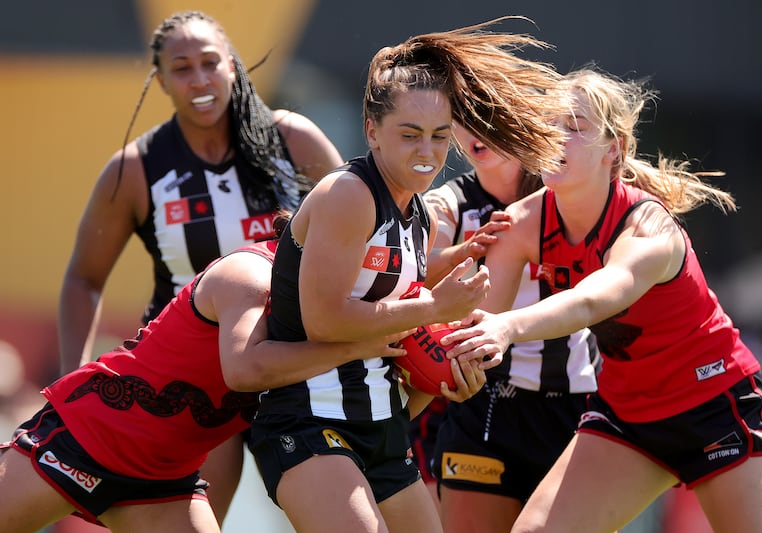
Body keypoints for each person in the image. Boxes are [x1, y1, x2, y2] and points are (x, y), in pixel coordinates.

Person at [246, 17, 569, 533]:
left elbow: (392, 287)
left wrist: (445, 372)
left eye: (441, 136)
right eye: (410, 135)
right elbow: (326, 319)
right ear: (371, 130)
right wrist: (437, 309)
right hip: (309, 421)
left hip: (383, 425)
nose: (428, 152)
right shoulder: (349, 195)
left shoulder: (419, 212)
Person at [442, 67, 762, 532]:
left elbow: (589, 302)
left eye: (576, 127)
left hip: (714, 401)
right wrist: (443, 352)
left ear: (614, 149)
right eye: (550, 124)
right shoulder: (521, 222)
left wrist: (507, 329)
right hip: (628, 410)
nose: (556, 137)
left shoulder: (647, 228)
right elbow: (481, 321)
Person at [0, 215, 487, 532]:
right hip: (84, 437)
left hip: (163, 481)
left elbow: (377, 415)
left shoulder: (345, 312)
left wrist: (435, 384)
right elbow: (244, 369)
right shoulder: (249, 274)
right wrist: (362, 342)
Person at [57, 10, 343, 523]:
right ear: (161, 80)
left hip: (294, 367)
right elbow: (83, 278)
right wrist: (74, 380)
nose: (200, 79)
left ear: (232, 65)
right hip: (192, 378)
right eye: (182, 68)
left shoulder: (292, 140)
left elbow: (362, 227)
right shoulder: (136, 168)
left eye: (210, 62)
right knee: (196, 516)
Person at [411, 123, 599, 532]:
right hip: (484, 401)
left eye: (490, 113)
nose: (477, 129)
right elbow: (420, 262)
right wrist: (464, 249)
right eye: (466, 115)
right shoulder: (449, 201)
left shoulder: (567, 191)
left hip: (575, 405)